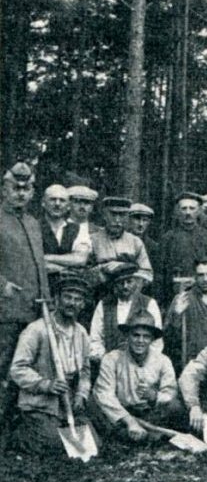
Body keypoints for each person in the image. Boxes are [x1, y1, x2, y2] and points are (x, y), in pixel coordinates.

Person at [9, 275, 93, 454]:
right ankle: (20, 433)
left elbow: (85, 371)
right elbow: (17, 368)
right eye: (68, 297)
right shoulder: (37, 330)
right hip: (40, 405)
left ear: (83, 304)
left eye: (78, 299)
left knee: (91, 445)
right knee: (57, 445)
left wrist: (81, 395)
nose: (72, 303)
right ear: (56, 300)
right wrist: (46, 384)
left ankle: (56, 431)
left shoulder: (81, 333)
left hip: (67, 403)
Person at [0, 162, 49, 427]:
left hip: (33, 310)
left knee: (27, 367)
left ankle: (17, 424)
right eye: (15, 188)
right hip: (5, 312)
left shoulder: (32, 223)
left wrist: (46, 300)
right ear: (3, 189)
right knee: (3, 366)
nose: (21, 193)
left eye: (26, 188)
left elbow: (38, 264)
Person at [92, 311, 183, 442]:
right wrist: (129, 421)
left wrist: (155, 396)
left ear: (152, 339)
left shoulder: (163, 360)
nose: (140, 341)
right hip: (121, 414)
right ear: (127, 336)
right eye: (136, 335)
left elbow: (171, 393)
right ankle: (146, 435)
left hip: (150, 414)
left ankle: (150, 434)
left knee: (175, 408)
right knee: (102, 415)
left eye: (146, 337)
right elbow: (105, 395)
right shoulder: (112, 359)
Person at [163, 257, 207, 368]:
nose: (205, 279)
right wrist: (177, 314)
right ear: (195, 277)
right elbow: (168, 338)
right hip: (190, 361)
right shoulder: (183, 299)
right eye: (201, 275)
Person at [89, 263, 163, 364]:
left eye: (129, 282)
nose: (125, 286)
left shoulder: (149, 303)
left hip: (141, 364)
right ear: (115, 284)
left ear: (136, 282)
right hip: (110, 363)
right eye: (121, 283)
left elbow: (156, 341)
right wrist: (105, 359)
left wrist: (146, 363)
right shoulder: (104, 304)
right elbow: (95, 338)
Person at [157, 192, 207, 306]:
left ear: (198, 211)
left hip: (200, 290)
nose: (188, 212)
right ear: (177, 212)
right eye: (184, 208)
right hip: (173, 292)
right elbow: (161, 271)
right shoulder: (168, 238)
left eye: (192, 208)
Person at [89, 197, 153, 286]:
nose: (117, 220)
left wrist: (125, 268)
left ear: (127, 217)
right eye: (113, 214)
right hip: (99, 292)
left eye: (122, 215)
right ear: (104, 215)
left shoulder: (135, 242)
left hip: (127, 293)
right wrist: (103, 268)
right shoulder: (92, 240)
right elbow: (82, 273)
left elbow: (148, 275)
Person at [40, 184, 91, 285]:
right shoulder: (33, 226)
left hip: (68, 289)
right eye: (52, 199)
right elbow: (29, 261)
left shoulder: (78, 229)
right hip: (40, 285)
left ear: (68, 206)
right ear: (43, 203)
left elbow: (80, 259)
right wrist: (65, 267)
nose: (57, 204)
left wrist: (44, 258)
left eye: (62, 200)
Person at [128, 203, 159, 267]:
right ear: (129, 220)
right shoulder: (120, 241)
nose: (141, 224)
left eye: (145, 220)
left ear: (149, 223)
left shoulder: (153, 247)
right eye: (137, 219)